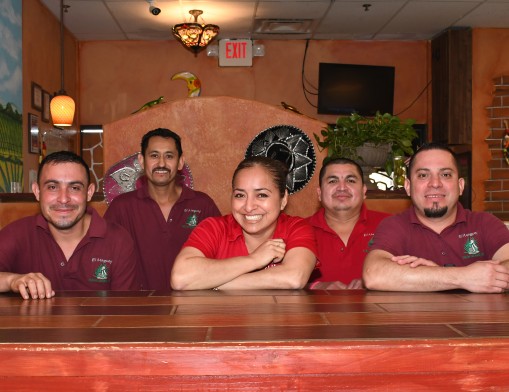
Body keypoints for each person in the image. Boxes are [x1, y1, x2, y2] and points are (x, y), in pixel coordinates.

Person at [363, 142, 509, 293]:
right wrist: (463, 277)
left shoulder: (485, 223)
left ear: (460, 186)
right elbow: (373, 275)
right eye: (423, 175)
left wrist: (431, 277)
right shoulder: (394, 226)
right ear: (408, 187)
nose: (435, 183)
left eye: (445, 175)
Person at [0, 151, 139, 300]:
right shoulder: (16, 233)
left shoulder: (118, 240)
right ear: (37, 191)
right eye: (52, 187)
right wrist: (11, 280)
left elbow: (126, 311)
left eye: (75, 188)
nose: (63, 199)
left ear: (89, 192)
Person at [170, 156, 317, 290]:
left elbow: (294, 278)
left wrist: (215, 283)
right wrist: (254, 259)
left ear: (283, 199)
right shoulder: (214, 227)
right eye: (240, 195)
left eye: (261, 195)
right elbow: (180, 278)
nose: (248, 206)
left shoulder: (296, 228)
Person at [104, 128, 221, 290]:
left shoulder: (202, 205)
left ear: (180, 162)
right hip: (138, 308)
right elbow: (104, 258)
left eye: (169, 156)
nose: (161, 163)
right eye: (154, 156)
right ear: (141, 161)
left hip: (193, 307)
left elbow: (221, 258)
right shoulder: (121, 207)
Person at [307, 158, 390, 290]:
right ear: (319, 193)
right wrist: (316, 286)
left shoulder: (391, 225)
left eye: (350, 180)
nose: (342, 187)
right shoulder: (299, 229)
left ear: (364, 191)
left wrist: (377, 282)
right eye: (332, 181)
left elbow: (412, 272)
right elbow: (282, 282)